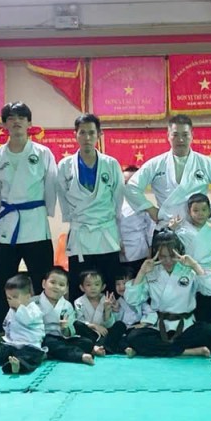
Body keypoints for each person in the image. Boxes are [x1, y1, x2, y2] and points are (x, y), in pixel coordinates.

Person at [0, 101, 59, 329]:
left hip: (35, 222)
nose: (16, 121)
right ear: (4, 124)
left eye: (21, 117)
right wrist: (5, 212)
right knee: (1, 279)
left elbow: (51, 186)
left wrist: (45, 212)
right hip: (9, 223)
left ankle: (47, 325)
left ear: (29, 123)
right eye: (11, 118)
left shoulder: (42, 153)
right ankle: (0, 327)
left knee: (42, 278)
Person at [125, 114, 211, 224]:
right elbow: (131, 187)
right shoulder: (156, 164)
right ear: (168, 136)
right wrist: (150, 209)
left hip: (197, 227)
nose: (180, 140)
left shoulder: (205, 163)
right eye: (175, 135)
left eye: (185, 135)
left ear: (192, 135)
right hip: (166, 226)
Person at [123, 229, 211, 357]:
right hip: (159, 326)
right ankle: (186, 351)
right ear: (156, 254)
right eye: (163, 256)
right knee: (134, 336)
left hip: (185, 326)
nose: (168, 261)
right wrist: (141, 272)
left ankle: (158, 349)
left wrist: (195, 266)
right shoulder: (151, 271)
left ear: (179, 252)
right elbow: (132, 300)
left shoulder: (188, 269)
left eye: (172, 256)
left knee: (207, 331)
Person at [58, 113, 125, 295]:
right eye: (82, 132)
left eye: (91, 133)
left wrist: (111, 221)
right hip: (80, 233)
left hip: (105, 232)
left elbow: (118, 198)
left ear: (99, 135)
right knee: (79, 286)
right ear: (75, 135)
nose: (87, 137)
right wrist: (73, 218)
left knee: (109, 286)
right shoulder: (65, 165)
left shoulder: (111, 164)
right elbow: (62, 197)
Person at [171, 192, 211, 329]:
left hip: (205, 272)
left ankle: (207, 332)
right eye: (195, 210)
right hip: (186, 272)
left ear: (209, 211)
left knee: (207, 308)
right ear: (189, 212)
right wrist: (172, 230)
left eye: (204, 210)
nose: (200, 213)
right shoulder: (182, 231)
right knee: (188, 312)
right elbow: (172, 250)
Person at [37, 266, 101, 365]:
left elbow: (69, 333)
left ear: (66, 289)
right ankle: (80, 356)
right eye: (52, 282)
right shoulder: (33, 303)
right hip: (43, 338)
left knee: (86, 343)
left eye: (61, 284)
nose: (56, 287)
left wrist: (65, 328)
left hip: (62, 338)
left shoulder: (67, 305)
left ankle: (51, 353)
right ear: (44, 283)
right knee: (49, 343)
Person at [0, 274, 47, 374]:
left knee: (30, 356)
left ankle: (17, 365)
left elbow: (26, 320)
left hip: (30, 345)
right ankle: (13, 361)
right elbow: (7, 324)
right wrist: (6, 337)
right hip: (13, 344)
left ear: (28, 296)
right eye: (8, 298)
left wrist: (19, 308)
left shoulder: (34, 309)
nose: (11, 301)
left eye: (15, 297)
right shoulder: (12, 310)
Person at [101, 267, 156, 354]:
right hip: (123, 330)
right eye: (118, 284)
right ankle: (124, 348)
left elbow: (150, 313)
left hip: (136, 328)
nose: (121, 287)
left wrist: (144, 323)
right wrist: (116, 310)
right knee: (118, 327)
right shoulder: (117, 302)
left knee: (135, 337)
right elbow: (113, 322)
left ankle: (126, 348)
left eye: (125, 283)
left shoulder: (140, 299)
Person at [117, 165, 154, 277]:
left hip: (139, 253)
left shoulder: (145, 204)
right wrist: (117, 242)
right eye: (125, 182)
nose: (128, 186)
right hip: (117, 252)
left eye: (132, 182)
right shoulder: (113, 202)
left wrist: (150, 252)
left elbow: (150, 231)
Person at [74, 269, 115, 342]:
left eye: (97, 284)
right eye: (88, 285)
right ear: (82, 287)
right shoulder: (78, 302)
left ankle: (101, 344)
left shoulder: (107, 300)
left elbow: (109, 325)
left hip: (105, 332)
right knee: (77, 325)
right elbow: (80, 322)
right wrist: (94, 326)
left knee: (119, 325)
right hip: (89, 333)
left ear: (103, 287)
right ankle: (100, 344)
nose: (93, 288)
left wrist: (107, 310)